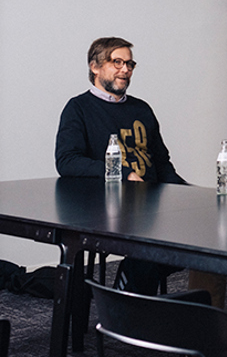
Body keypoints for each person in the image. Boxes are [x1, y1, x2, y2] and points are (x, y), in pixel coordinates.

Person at [55, 37, 186, 295]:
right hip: (109, 207)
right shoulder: (78, 108)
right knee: (150, 249)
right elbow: (67, 161)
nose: (125, 70)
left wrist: (186, 192)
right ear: (95, 66)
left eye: (129, 64)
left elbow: (161, 162)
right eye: (117, 62)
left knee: (204, 236)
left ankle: (135, 290)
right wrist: (124, 174)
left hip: (151, 202)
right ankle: (126, 300)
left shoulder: (142, 109)